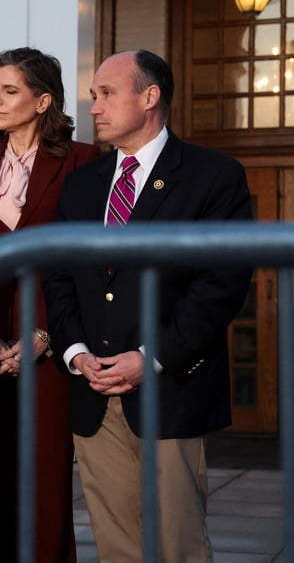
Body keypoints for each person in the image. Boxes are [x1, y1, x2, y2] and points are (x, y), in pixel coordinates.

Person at [42, 50, 253, 562]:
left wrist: (150, 357)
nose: (94, 107)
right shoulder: (84, 182)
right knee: (118, 546)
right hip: (94, 393)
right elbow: (60, 273)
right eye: (94, 95)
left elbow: (220, 285)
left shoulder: (213, 175)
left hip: (170, 389)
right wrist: (74, 352)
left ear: (150, 96)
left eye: (107, 93)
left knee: (175, 544)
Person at [0, 47, 99, 562]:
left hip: (53, 334)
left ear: (43, 101)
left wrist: (45, 335)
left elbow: (85, 260)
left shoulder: (85, 161)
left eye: (9, 90)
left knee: (46, 477)